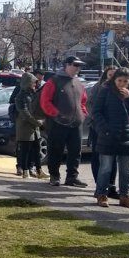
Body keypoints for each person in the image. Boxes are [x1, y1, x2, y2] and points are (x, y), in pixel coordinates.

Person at [92, 68, 129, 209]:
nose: (122, 84)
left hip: (126, 135)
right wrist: (104, 129)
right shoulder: (105, 91)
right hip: (108, 135)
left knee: (125, 170)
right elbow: (96, 111)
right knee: (105, 168)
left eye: (125, 81)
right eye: (119, 81)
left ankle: (124, 195)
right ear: (114, 80)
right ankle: (101, 194)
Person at [40, 56, 89, 188]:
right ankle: (54, 176)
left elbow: (83, 102)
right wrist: (56, 114)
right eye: (75, 64)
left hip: (76, 124)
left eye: (79, 65)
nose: (78, 68)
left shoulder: (79, 83)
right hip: (57, 123)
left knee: (75, 151)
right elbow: (45, 102)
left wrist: (83, 114)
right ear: (66, 65)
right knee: (55, 150)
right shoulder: (54, 81)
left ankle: (72, 177)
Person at [87, 67, 120, 198]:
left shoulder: (119, 90)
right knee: (98, 157)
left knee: (113, 159)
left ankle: (111, 186)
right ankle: (99, 185)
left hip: (114, 129)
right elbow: (90, 105)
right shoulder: (99, 88)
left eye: (114, 75)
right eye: (110, 75)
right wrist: (97, 120)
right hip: (98, 128)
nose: (112, 78)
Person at [15, 72, 47, 179]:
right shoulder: (20, 96)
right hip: (25, 127)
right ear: (27, 82)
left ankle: (39, 170)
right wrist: (37, 122)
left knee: (36, 149)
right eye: (33, 82)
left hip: (34, 127)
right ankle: (25, 171)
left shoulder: (32, 93)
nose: (35, 84)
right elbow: (25, 113)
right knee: (25, 150)